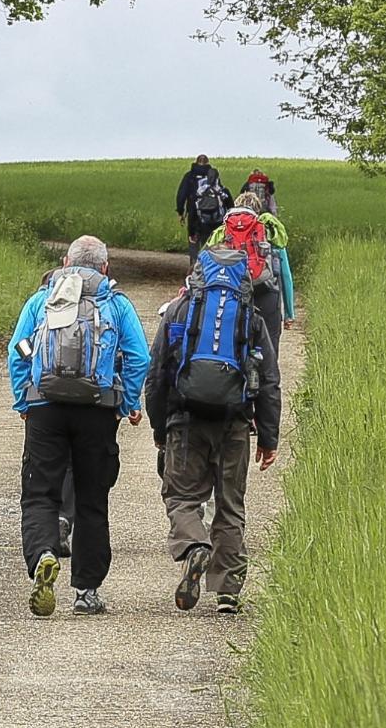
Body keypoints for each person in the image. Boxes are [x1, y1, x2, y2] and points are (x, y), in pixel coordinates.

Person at [7, 236, 149, 617]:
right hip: (97, 410)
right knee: (91, 500)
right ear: (105, 267)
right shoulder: (115, 303)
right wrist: (128, 402)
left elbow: (18, 349)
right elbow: (139, 357)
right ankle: (87, 591)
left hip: (45, 408)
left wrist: (24, 399)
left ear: (67, 261)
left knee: (40, 492)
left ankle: (43, 556)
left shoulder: (42, 299)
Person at [148, 243, 282, 614]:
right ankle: (228, 591)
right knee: (230, 504)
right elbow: (269, 380)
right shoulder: (250, 318)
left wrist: (161, 427)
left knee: (181, 497)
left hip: (185, 420)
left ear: (198, 274)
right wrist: (268, 437)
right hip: (235, 423)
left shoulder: (179, 310)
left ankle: (194, 546)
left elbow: (157, 373)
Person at [207, 191, 297, 340]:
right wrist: (289, 314)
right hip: (266, 292)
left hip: (232, 294)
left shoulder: (223, 232)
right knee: (269, 344)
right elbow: (285, 275)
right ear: (258, 210)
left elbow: (207, 263)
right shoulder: (268, 231)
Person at [175, 154, 225, 251]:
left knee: (193, 238)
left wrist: (180, 212)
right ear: (207, 163)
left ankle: (194, 261)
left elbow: (181, 195)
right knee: (210, 241)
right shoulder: (213, 175)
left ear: (196, 162)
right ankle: (208, 261)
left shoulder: (189, 176)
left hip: (194, 213)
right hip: (213, 215)